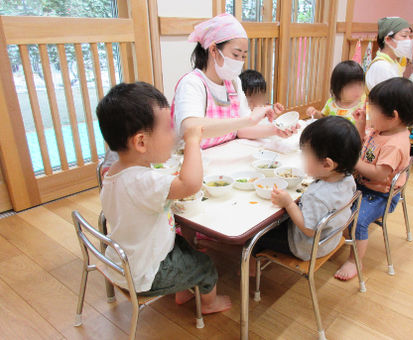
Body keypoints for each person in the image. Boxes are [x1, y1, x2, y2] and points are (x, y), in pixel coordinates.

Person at [97, 82, 231, 314]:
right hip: (145, 273)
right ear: (141, 142)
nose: (174, 135)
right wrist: (192, 142)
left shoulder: (114, 174)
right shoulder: (144, 181)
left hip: (126, 258)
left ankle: (182, 289)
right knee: (205, 266)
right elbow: (190, 184)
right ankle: (209, 303)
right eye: (168, 129)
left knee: (185, 245)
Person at [335, 77, 413, 281]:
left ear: (394, 116)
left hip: (379, 194)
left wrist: (353, 161)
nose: (370, 114)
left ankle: (354, 260)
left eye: (373, 111)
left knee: (359, 220)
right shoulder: (381, 129)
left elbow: (379, 174)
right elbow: (360, 144)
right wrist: (361, 124)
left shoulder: (394, 144)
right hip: (363, 184)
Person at [172, 13, 298, 150]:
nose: (239, 62)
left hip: (224, 155)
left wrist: (274, 130)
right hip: (195, 159)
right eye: (235, 55)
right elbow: (191, 128)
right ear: (213, 50)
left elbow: (242, 130)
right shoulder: (192, 83)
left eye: (243, 56)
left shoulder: (233, 83)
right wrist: (248, 120)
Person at [252, 116, 361, 261]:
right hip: (331, 237)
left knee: (255, 235)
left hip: (307, 246)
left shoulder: (317, 196)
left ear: (327, 165)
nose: (302, 158)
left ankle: (251, 267)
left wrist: (289, 203)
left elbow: (308, 230)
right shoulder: (347, 178)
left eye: (305, 154)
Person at [365, 17, 413, 91]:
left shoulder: (393, 62)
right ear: (388, 39)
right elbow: (390, 98)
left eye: (409, 36)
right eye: (404, 36)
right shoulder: (382, 67)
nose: (409, 40)